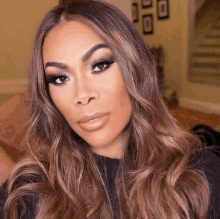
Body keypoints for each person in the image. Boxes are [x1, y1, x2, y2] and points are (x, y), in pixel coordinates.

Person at [1, 0, 220, 218]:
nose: (82, 95)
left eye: (100, 65)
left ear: (133, 68)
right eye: (60, 78)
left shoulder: (201, 177)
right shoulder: (28, 193)